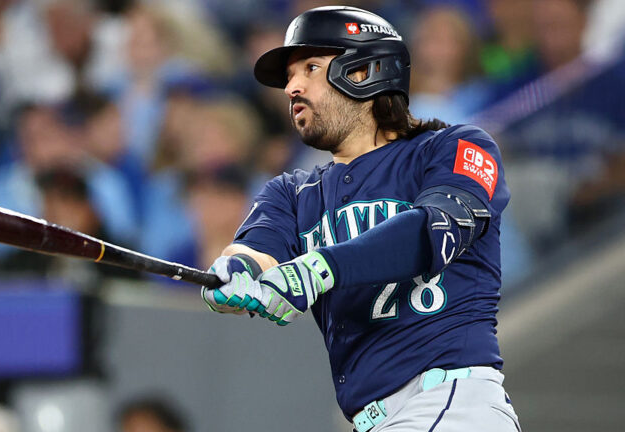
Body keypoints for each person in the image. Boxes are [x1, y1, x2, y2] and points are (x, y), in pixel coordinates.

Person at [200, 6, 521, 432]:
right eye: (289, 77)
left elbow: (433, 231)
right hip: (374, 420)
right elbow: (256, 253)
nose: (291, 87)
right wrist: (232, 274)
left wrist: (320, 267)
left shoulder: (452, 148)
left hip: (449, 402)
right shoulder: (292, 193)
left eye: (309, 68)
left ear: (365, 71)